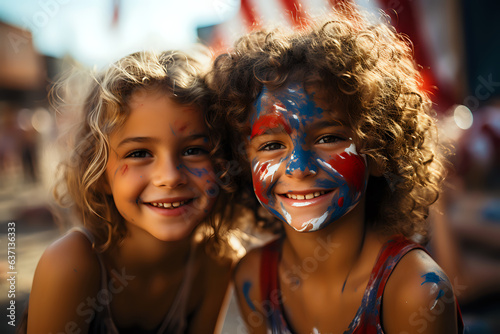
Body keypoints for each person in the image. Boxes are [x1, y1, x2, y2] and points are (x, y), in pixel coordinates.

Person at [208, 5, 464, 334]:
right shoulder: (254, 281)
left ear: (377, 152)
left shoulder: (416, 291)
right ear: (243, 160)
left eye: (329, 138)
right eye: (272, 145)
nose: (298, 167)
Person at [23, 48, 235, 333]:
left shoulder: (216, 262)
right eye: (138, 153)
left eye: (194, 150)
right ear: (99, 174)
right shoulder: (70, 263)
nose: (170, 177)